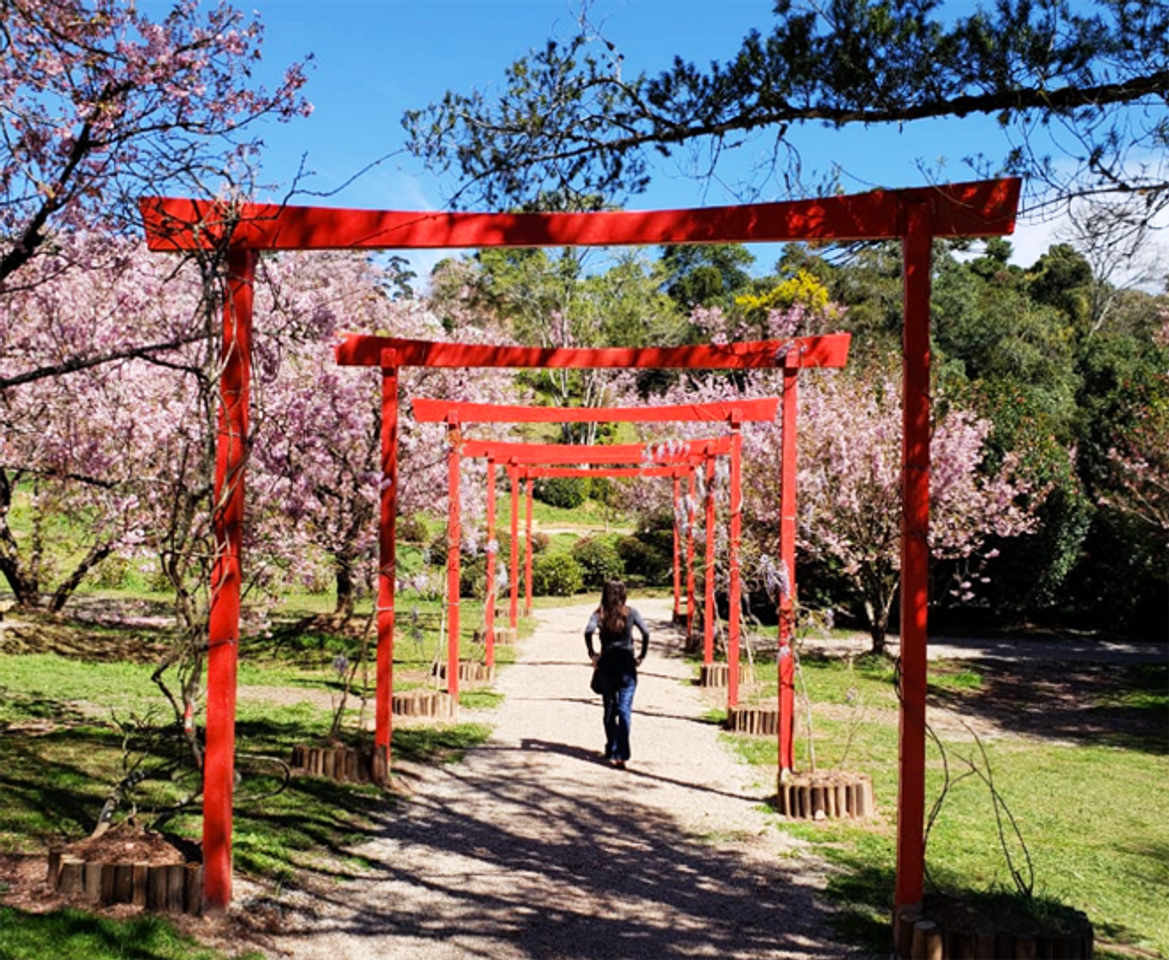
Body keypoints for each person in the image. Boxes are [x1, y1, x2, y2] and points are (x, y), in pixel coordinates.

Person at [584, 580, 650, 769]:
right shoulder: (631, 613)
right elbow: (646, 633)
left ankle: (611, 746)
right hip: (627, 666)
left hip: (606, 666)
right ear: (623, 594)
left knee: (609, 709)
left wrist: (592, 654)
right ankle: (621, 754)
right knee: (624, 710)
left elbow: (588, 631)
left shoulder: (599, 614)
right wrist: (641, 656)